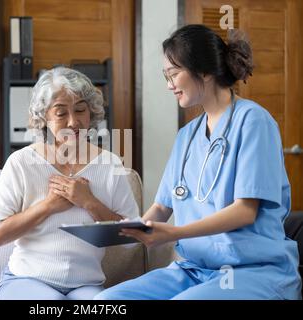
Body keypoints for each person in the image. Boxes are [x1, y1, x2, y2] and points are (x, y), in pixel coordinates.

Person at [95, 24, 302, 300]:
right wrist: (126, 231)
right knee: (106, 301)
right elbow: (161, 207)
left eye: (174, 74)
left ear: (204, 71)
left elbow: (245, 211)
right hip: (193, 270)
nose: (169, 85)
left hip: (251, 271)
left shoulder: (254, 122)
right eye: (165, 76)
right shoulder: (187, 136)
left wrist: (174, 233)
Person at [0, 67, 139, 300]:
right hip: (26, 280)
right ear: (43, 117)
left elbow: (133, 239)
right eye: (60, 113)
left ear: (92, 113)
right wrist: (49, 206)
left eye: (80, 110)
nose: (73, 121)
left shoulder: (110, 164)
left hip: (86, 285)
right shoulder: (21, 163)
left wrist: (89, 202)